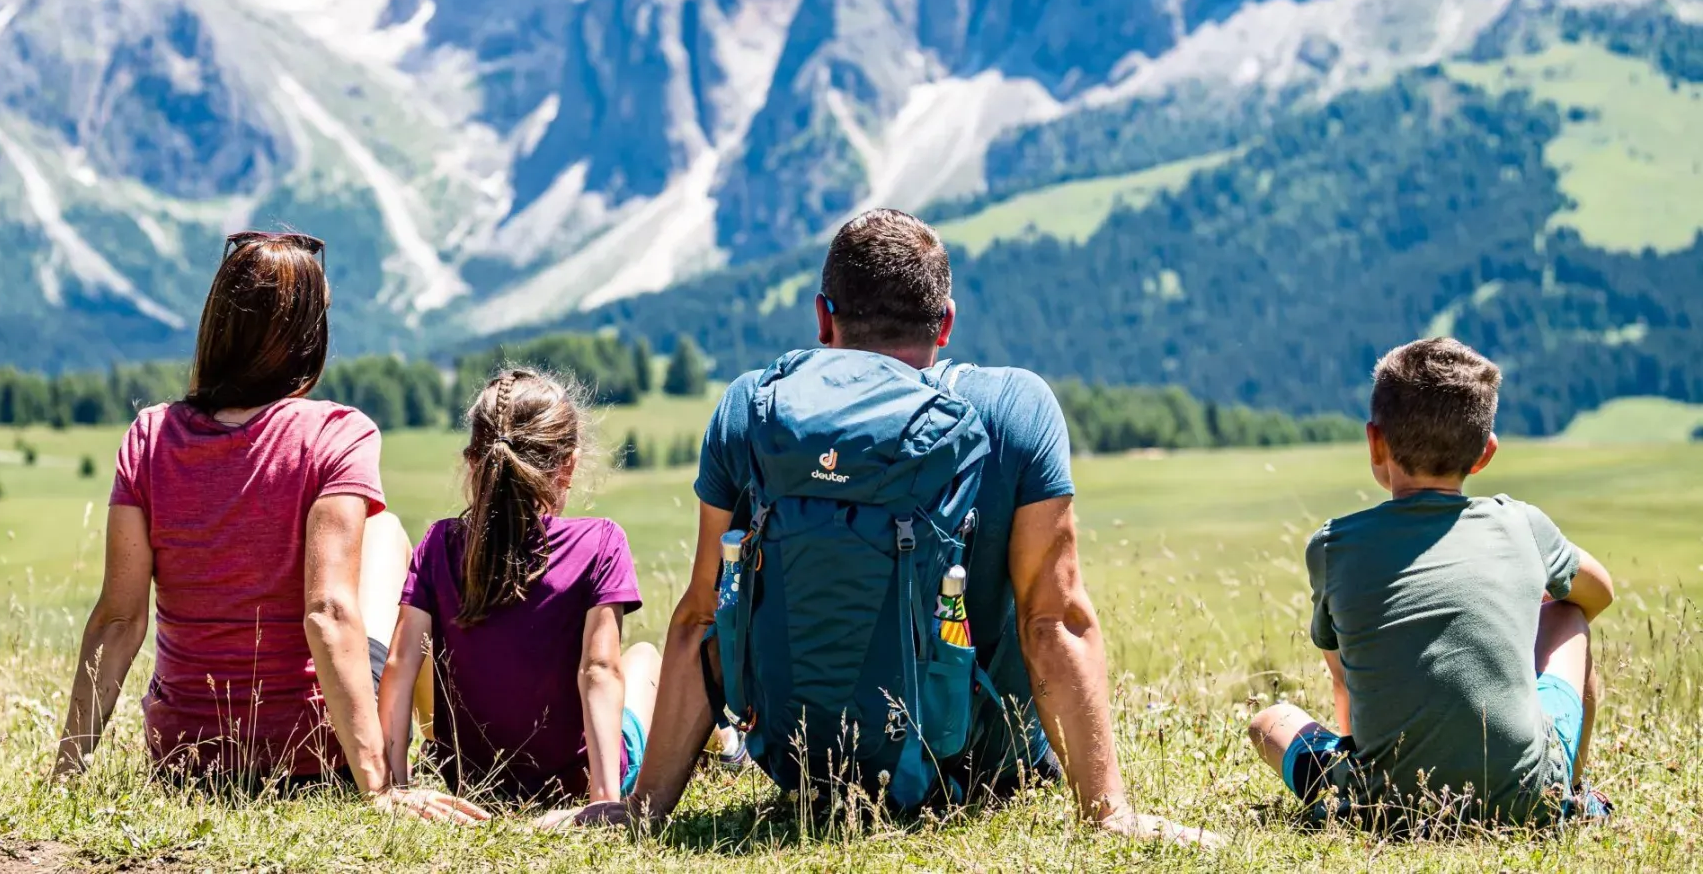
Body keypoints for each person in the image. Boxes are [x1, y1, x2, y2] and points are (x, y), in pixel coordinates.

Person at [558, 208, 1213, 845]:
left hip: (810, 767)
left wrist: (643, 810)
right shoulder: (1015, 409)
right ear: (946, 323)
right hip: (985, 772)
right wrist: (1108, 811)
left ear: (823, 316)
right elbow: (1054, 619)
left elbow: (703, 617)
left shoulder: (753, 410)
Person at [52, 229, 485, 825]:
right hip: (316, 758)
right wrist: (377, 791)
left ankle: (428, 756)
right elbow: (328, 611)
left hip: (186, 761)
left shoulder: (149, 436)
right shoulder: (339, 433)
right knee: (387, 536)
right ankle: (439, 757)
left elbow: (119, 618)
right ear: (310, 336)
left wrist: (66, 773)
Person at [1248, 337, 1614, 828]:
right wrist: (1538, 593)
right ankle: (1567, 794)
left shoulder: (1333, 546)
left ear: (1375, 442)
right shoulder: (1522, 524)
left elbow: (1345, 682)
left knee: (1268, 723)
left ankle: (1360, 788)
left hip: (1383, 806)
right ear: (1486, 453)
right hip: (1524, 800)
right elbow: (1600, 593)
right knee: (1568, 615)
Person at [378, 367, 659, 809]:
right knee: (645, 659)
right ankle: (725, 741)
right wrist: (601, 802)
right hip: (573, 786)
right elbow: (599, 670)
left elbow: (400, 662)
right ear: (568, 465)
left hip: (470, 785)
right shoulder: (601, 542)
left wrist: (393, 786)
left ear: (474, 460)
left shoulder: (438, 544)